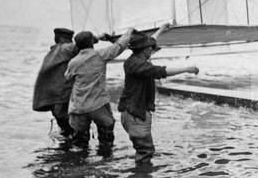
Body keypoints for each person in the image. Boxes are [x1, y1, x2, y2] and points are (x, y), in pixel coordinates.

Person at [117, 25, 199, 162]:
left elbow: (151, 41)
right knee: (145, 151)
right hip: (135, 114)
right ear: (145, 50)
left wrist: (161, 29)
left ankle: (142, 177)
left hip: (133, 112)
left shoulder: (138, 58)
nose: (152, 49)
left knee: (144, 150)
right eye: (150, 48)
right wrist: (187, 69)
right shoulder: (137, 65)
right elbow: (161, 71)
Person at [65, 27, 135, 155]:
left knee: (80, 143)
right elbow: (119, 46)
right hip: (97, 104)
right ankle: (105, 161)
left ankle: (80, 166)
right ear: (92, 43)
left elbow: (67, 77)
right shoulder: (100, 55)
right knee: (106, 136)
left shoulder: (73, 62)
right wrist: (129, 32)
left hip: (78, 107)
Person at [32, 27, 78, 148]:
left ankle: (72, 136)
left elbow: (83, 43)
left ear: (61, 38)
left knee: (61, 113)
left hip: (61, 90)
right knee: (60, 113)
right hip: (58, 90)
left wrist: (96, 38)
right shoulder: (61, 48)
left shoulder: (64, 48)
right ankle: (69, 135)